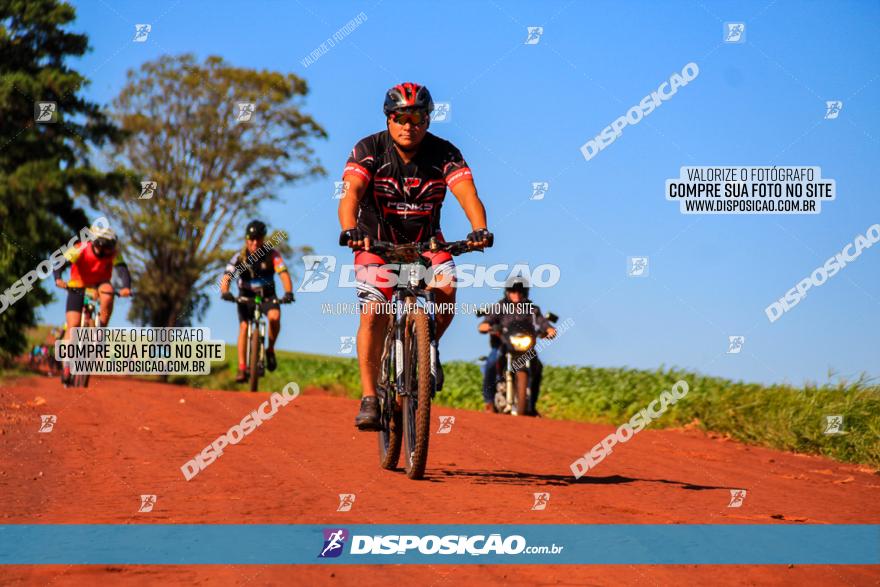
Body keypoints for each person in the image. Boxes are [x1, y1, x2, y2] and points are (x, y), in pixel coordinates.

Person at [338, 82, 492, 430]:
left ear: (428, 120)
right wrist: (351, 230)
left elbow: (467, 193)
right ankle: (370, 397)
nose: (410, 126)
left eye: (419, 118)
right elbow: (350, 195)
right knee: (374, 311)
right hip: (375, 245)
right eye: (402, 118)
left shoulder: (445, 153)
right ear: (389, 119)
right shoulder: (369, 149)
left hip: (427, 245)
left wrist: (479, 228)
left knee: (448, 290)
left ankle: (424, 346)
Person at [53, 226, 131, 384]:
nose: (110, 250)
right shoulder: (80, 249)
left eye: (111, 246)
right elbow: (60, 261)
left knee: (108, 291)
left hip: (99, 285)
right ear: (98, 244)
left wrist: (126, 287)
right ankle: (67, 365)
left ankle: (101, 330)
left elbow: (123, 270)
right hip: (77, 285)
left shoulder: (114, 253)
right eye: (107, 246)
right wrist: (58, 278)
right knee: (73, 325)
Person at [220, 220, 294, 383]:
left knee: (274, 318)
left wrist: (288, 292)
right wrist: (225, 292)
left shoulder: (272, 255)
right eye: (251, 239)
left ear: (263, 239)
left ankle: (270, 350)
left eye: (258, 239)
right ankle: (241, 368)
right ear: (246, 239)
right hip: (245, 297)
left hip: (267, 296)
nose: (254, 243)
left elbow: (283, 273)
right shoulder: (239, 257)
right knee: (244, 326)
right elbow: (227, 277)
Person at [478, 277, 556, 415]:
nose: (516, 294)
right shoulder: (500, 307)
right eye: (513, 291)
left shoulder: (532, 309)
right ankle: (489, 402)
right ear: (507, 292)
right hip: (503, 345)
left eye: (520, 291)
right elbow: (486, 322)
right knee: (491, 363)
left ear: (525, 293)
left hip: (526, 348)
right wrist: (487, 326)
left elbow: (542, 322)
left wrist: (549, 330)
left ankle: (531, 405)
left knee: (538, 368)